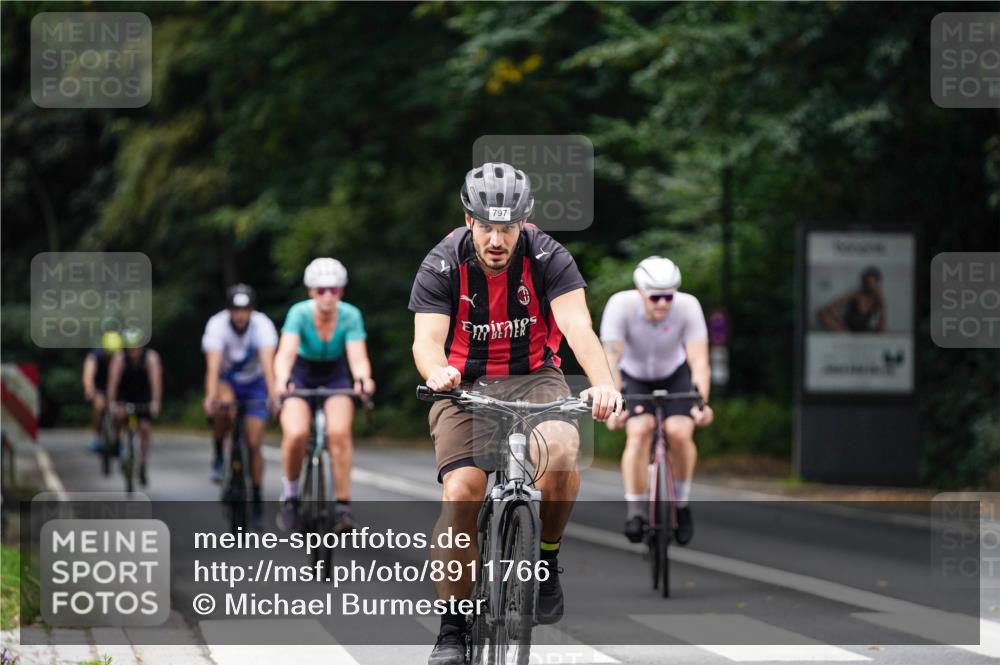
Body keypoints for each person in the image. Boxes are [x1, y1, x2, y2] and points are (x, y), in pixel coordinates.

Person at [410, 162, 622, 665]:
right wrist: (438, 372)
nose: (497, 238)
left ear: (524, 222)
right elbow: (426, 341)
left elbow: (577, 327)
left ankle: (544, 559)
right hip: (464, 383)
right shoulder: (442, 262)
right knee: (462, 490)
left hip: (535, 377)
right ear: (469, 220)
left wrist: (604, 383)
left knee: (565, 451)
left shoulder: (549, 256)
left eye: (507, 227)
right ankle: (453, 628)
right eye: (486, 225)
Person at [600, 256, 714, 546]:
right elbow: (611, 360)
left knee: (679, 432)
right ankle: (636, 510)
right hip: (634, 376)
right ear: (640, 292)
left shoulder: (688, 306)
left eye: (669, 296)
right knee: (639, 431)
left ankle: (683, 505)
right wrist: (615, 404)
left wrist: (701, 403)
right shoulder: (620, 306)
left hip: (673, 375)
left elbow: (699, 361)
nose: (664, 303)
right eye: (656, 297)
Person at [274, 258, 375, 534]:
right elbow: (285, 353)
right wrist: (282, 379)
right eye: (321, 290)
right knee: (295, 433)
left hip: (335, 375)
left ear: (341, 291)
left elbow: (358, 357)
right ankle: (291, 496)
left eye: (335, 290)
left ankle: (343, 507)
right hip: (302, 374)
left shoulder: (350, 315)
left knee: (339, 433)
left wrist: (362, 380)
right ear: (311, 292)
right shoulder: (299, 313)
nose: (328, 296)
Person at [201, 284, 279, 527]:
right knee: (223, 407)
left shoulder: (263, 326)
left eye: (245, 310)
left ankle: (255, 495)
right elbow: (213, 367)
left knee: (255, 442)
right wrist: (210, 396)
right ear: (229, 311)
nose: (240, 315)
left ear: (252, 310)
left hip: (255, 383)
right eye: (236, 309)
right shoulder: (217, 326)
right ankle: (218, 452)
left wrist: (274, 395)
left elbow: (268, 365)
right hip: (228, 380)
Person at [106, 327, 163, 487]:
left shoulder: (151, 358)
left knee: (144, 428)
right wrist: (112, 403)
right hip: (124, 395)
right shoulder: (119, 359)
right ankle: (118, 444)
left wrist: (156, 403)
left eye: (136, 347)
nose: (133, 352)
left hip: (143, 396)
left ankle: (143, 464)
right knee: (119, 416)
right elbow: (113, 383)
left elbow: (155, 382)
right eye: (130, 348)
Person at [82, 330, 123, 453]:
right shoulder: (95, 356)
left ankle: (118, 439)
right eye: (109, 354)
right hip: (100, 387)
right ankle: (96, 438)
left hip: (117, 388)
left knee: (120, 411)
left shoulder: (122, 357)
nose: (111, 357)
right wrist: (89, 390)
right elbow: (88, 374)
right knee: (99, 407)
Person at [817, 266, 887, 333]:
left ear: (877, 283)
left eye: (872, 283)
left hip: (864, 330)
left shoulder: (878, 299)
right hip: (846, 329)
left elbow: (882, 324)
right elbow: (829, 307)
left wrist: (881, 302)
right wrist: (838, 323)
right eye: (867, 283)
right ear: (863, 283)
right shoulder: (855, 294)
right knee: (822, 313)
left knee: (882, 330)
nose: (870, 286)